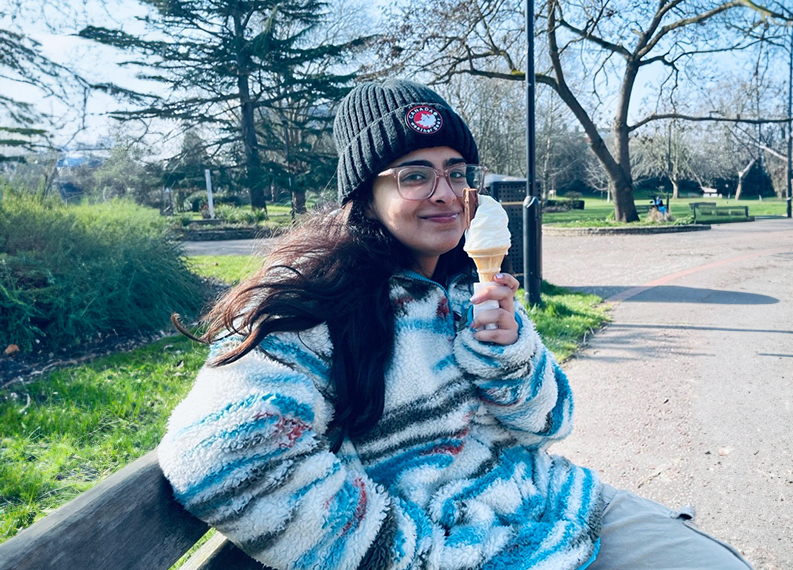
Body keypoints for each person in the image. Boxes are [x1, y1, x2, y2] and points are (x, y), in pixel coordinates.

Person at [158, 79, 753, 570]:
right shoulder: (314, 299)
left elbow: (550, 423)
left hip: (552, 504)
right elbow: (221, 455)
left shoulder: (468, 282)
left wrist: (510, 352)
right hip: (473, 548)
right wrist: (420, 557)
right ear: (365, 194)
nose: (446, 194)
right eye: (415, 175)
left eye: (457, 171)